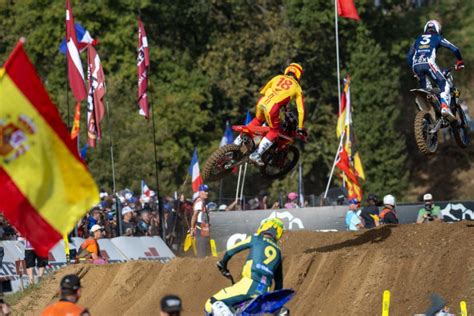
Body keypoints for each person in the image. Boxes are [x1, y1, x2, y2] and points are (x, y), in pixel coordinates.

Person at [204, 218, 284, 315]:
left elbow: (231, 251)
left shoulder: (255, 239)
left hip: (247, 285)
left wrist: (222, 263)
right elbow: (279, 284)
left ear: (264, 226)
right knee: (234, 309)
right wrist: (275, 304)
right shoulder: (278, 252)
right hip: (263, 292)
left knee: (211, 303)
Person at [234, 63, 307, 166]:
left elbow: (264, 90)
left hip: (262, 102)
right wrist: (300, 126)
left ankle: (237, 141)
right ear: (299, 75)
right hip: (273, 107)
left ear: (287, 70)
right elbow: (301, 110)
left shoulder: (277, 77)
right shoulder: (297, 87)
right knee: (274, 131)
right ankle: (257, 154)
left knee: (258, 120)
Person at [406, 20, 464, 121]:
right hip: (428, 63)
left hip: (416, 65)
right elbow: (455, 49)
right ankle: (445, 108)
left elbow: (408, 57)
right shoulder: (437, 37)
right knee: (444, 84)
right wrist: (459, 61)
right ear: (437, 29)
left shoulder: (417, 39)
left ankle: (427, 119)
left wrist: (414, 70)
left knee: (427, 90)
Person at [190, 184, 210, 257]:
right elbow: (194, 216)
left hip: (204, 227)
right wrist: (192, 228)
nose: (207, 193)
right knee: (201, 250)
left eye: (207, 191)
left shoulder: (203, 201)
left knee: (204, 248)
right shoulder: (199, 202)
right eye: (205, 191)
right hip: (200, 227)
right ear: (200, 192)